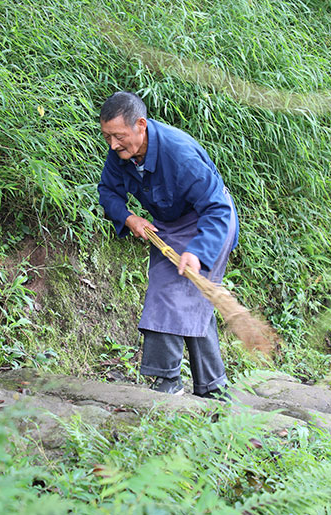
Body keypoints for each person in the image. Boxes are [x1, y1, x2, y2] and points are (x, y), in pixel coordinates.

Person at [97, 91, 239, 399]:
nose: (113, 145)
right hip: (171, 228)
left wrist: (198, 251)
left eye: (119, 136)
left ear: (141, 125)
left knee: (179, 297)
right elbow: (108, 191)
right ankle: (212, 389)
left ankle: (170, 382)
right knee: (178, 296)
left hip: (209, 224)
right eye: (107, 137)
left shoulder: (180, 154)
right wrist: (129, 218)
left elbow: (217, 209)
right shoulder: (120, 153)